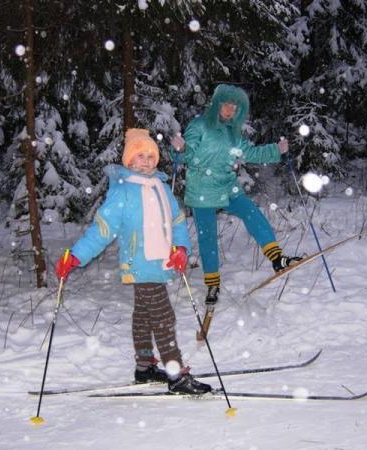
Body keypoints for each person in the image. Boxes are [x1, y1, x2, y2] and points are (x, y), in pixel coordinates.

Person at [55, 128, 211, 395]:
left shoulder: (161, 187)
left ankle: (144, 367)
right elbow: (102, 229)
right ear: (128, 160)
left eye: (150, 155)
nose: (146, 160)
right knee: (163, 316)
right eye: (140, 155)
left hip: (161, 263)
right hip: (139, 263)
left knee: (144, 314)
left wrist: (181, 249)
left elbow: (177, 222)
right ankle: (176, 375)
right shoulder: (124, 191)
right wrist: (77, 256)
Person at [171, 84, 301, 305]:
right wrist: (181, 149)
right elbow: (188, 155)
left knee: (252, 213)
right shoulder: (199, 125)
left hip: (227, 186)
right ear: (217, 104)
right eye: (227, 103)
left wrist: (275, 150)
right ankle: (212, 284)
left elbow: (249, 152)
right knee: (208, 236)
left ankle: (277, 258)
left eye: (235, 106)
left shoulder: (233, 132)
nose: (231, 109)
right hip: (202, 189)